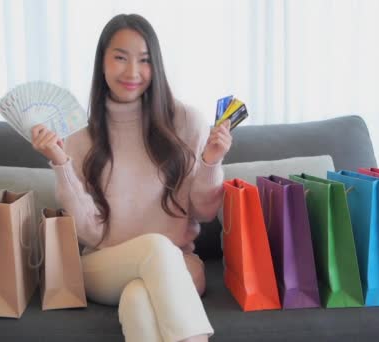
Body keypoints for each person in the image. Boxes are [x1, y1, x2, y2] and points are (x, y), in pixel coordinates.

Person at [31, 13, 231, 342]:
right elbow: (88, 232)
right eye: (121, 58)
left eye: (144, 60)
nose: (133, 72)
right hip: (103, 265)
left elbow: (206, 213)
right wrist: (61, 164)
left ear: (157, 66)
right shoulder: (80, 136)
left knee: (138, 298)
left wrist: (211, 162)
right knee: (154, 248)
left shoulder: (187, 122)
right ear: (103, 63)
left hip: (177, 265)